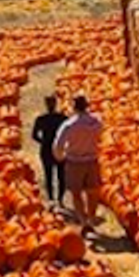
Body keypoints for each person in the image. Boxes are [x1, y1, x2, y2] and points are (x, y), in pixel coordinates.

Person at [53, 95, 104, 230]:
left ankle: (83, 220)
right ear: (87, 105)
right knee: (93, 192)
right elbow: (100, 135)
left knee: (76, 193)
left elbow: (58, 144)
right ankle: (92, 217)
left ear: (74, 107)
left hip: (74, 162)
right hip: (92, 160)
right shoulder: (96, 121)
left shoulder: (69, 125)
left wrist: (60, 157)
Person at [31, 96, 68, 205]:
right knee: (61, 175)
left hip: (46, 149)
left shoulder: (41, 119)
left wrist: (42, 141)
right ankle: (60, 198)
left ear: (46, 105)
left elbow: (34, 135)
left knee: (49, 175)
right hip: (59, 148)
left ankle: (51, 199)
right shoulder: (62, 118)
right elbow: (68, 134)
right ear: (55, 103)